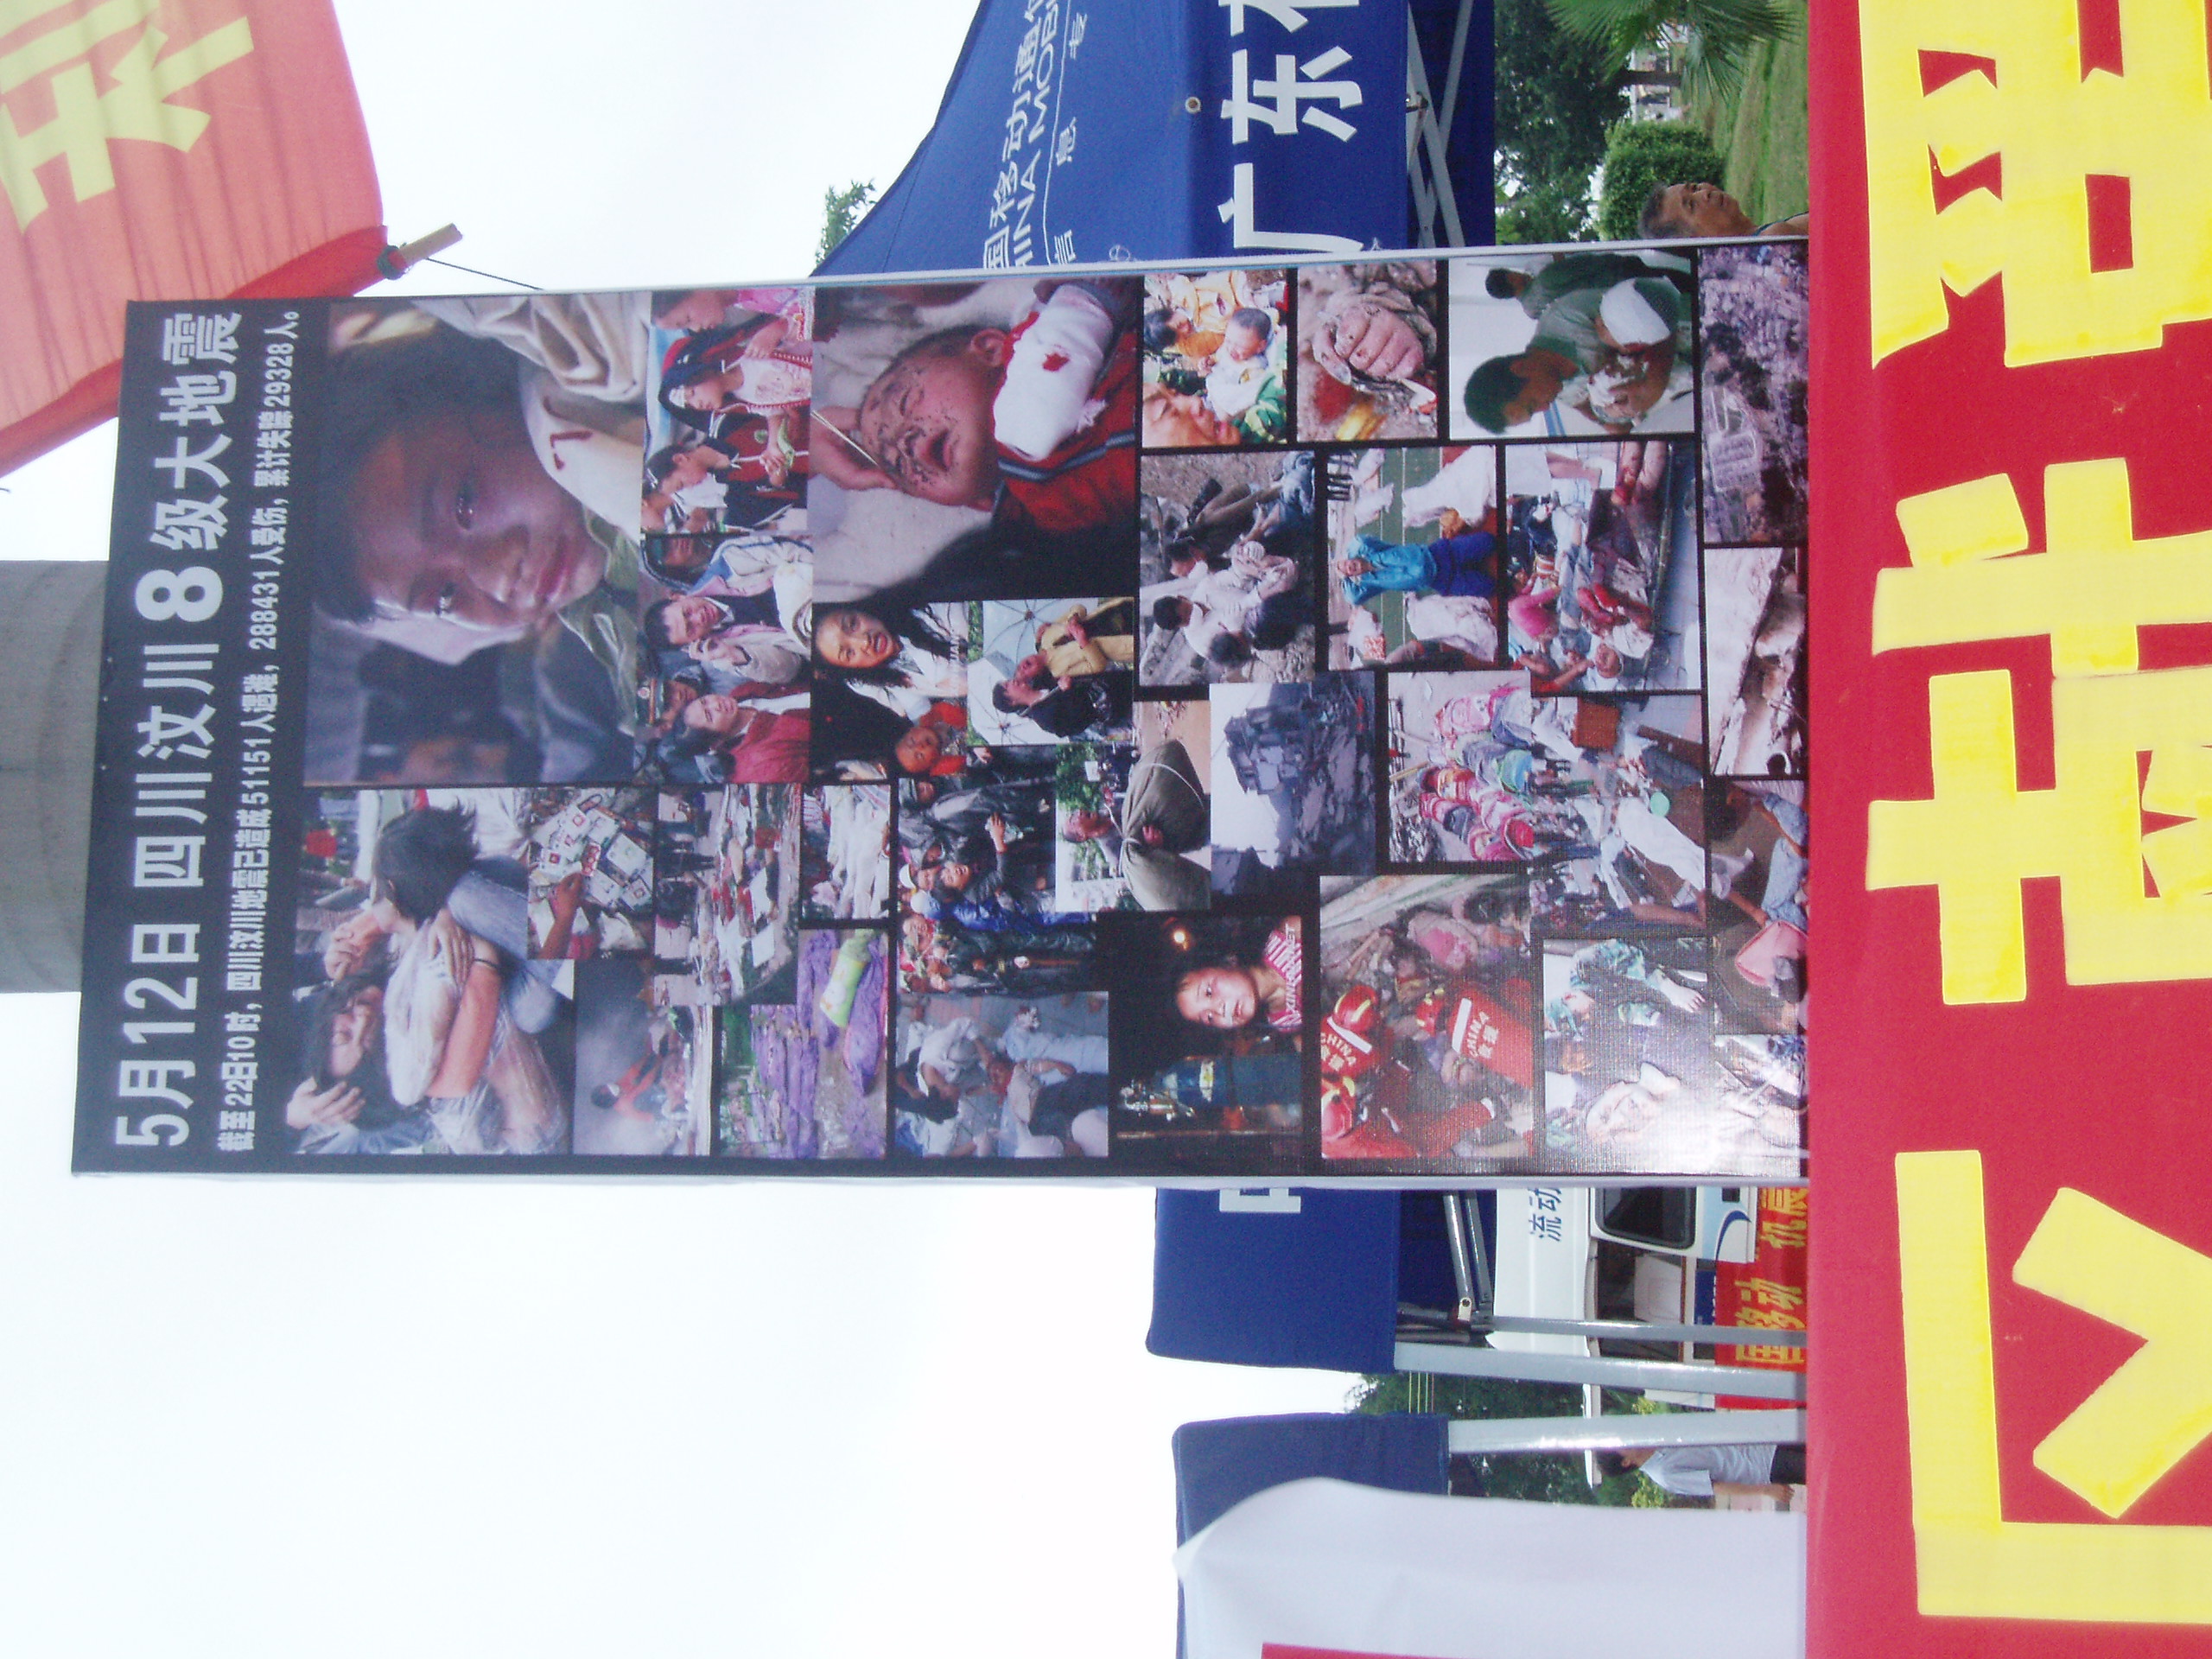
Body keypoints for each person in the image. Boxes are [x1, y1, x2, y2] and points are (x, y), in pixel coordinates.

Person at [315, 299, 646, 782]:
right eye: (444, 596)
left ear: (475, 390)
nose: (496, 575)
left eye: (464, 504)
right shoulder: (597, 642)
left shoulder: (611, 365)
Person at [811, 277, 1139, 547]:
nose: (903, 442)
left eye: (904, 402)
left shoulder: (1038, 344)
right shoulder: (1026, 522)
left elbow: (1044, 391)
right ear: (976, 503)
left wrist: (1083, 299)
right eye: (896, 463)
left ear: (991, 350)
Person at [1462, 276, 1688, 435]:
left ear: (1520, 368)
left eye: (1532, 405)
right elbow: (1607, 422)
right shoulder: (1564, 394)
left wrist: (1654, 382)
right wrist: (1616, 412)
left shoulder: (1568, 316)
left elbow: (1660, 307)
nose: (1545, 409)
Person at [1174, 917, 1304, 1033]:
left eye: (1209, 992)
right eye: (1209, 1018)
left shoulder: (1290, 935)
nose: (1219, 1011)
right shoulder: (1285, 1022)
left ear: (1227, 962)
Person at [1600, 1441, 1806, 1503]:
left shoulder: (1659, 1437)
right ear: (1626, 1462)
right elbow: (1715, 1487)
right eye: (1619, 1447)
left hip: (1765, 1440)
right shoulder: (1664, 1474)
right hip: (1763, 1465)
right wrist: (1765, 1490)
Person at [1639, 181, 1806, 240]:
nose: (1704, 193)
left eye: (1695, 187)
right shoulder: (1775, 241)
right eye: (1691, 205)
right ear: (1693, 239)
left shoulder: (1768, 234)